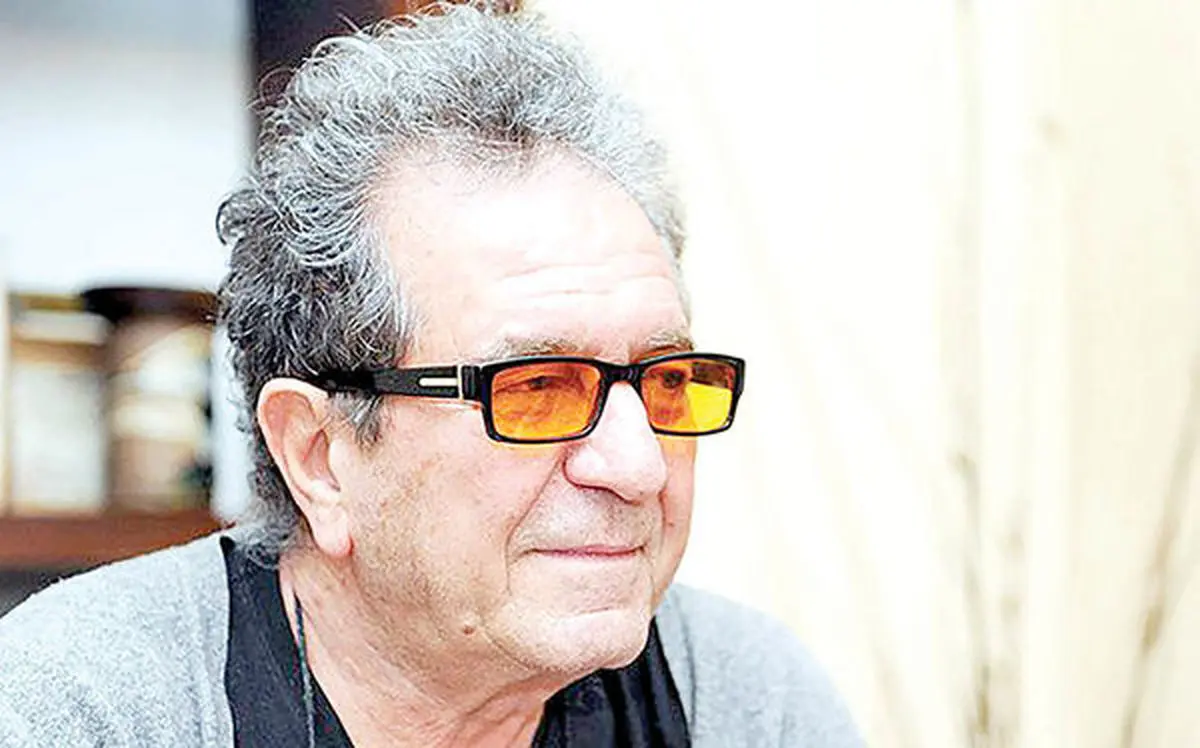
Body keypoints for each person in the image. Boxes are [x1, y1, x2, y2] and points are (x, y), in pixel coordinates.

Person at [0, 5, 861, 747]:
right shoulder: (83, 708)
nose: (638, 468)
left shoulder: (748, 699)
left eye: (666, 381)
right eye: (538, 388)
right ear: (319, 457)